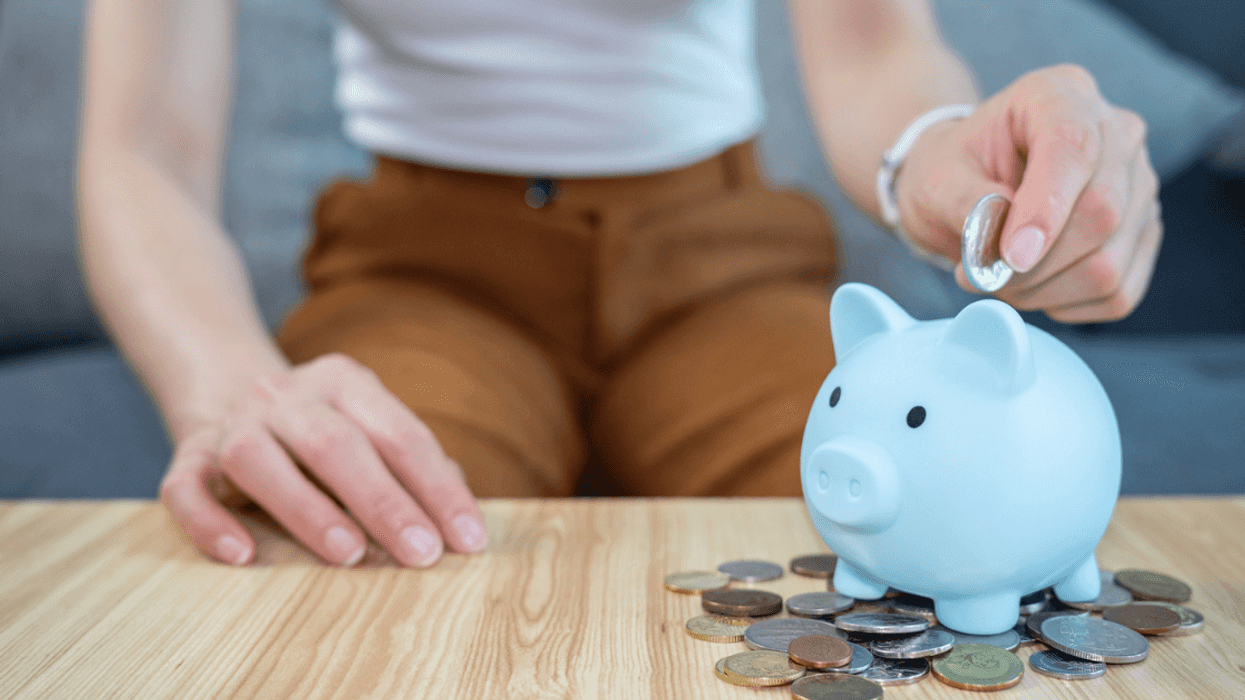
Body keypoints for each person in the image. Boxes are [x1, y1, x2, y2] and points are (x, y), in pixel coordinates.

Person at [77, 0, 1161, 570]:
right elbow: (142, 149)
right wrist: (226, 393)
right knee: (337, 544)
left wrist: (943, 153)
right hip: (424, 273)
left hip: (719, 262)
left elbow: (876, 46)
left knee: (937, 525)